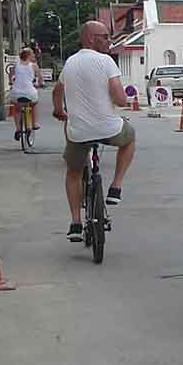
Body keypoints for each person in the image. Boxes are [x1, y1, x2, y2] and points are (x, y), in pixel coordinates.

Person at [51, 20, 136, 242]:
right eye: (105, 36)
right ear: (90, 38)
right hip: (109, 128)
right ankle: (116, 186)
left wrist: (59, 111)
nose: (109, 41)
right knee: (129, 138)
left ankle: (76, 222)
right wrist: (123, 101)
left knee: (73, 172)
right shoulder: (106, 61)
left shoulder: (69, 63)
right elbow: (119, 98)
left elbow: (57, 91)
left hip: (78, 132)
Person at [10, 47, 42, 145]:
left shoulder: (15, 66)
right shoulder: (34, 66)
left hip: (16, 93)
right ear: (28, 55)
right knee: (34, 104)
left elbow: (11, 77)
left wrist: (12, 83)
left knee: (17, 109)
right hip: (29, 92)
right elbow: (40, 79)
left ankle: (18, 129)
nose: (34, 56)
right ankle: (35, 123)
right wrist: (39, 84)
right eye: (32, 54)